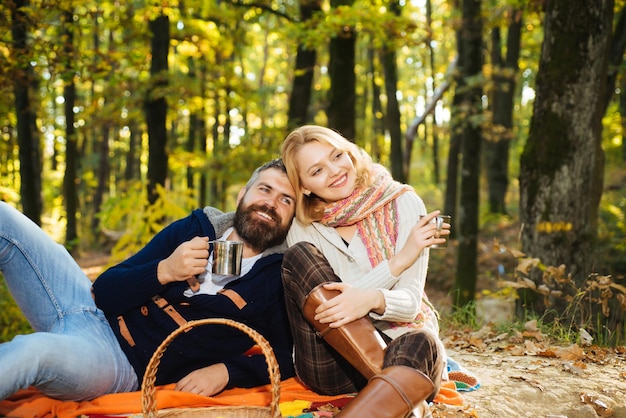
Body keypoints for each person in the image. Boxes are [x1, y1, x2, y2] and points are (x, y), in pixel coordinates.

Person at [0, 158, 297, 402]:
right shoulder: (196, 228)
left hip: (116, 361)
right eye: (265, 189)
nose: (270, 203)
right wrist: (165, 270)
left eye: (285, 199)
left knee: (33, 351)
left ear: (294, 217)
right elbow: (103, 290)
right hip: (83, 306)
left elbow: (289, 356)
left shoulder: (275, 278)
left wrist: (226, 371)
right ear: (242, 195)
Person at [280, 126, 450, 418]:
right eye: (317, 170)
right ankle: (404, 395)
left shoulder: (403, 203)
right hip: (332, 362)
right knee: (299, 257)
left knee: (422, 340)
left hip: (399, 347)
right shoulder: (302, 226)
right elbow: (334, 304)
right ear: (304, 186)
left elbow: (410, 305)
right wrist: (398, 261)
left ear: (349, 151)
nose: (334, 171)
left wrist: (368, 298)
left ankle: (395, 397)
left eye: (337, 156)